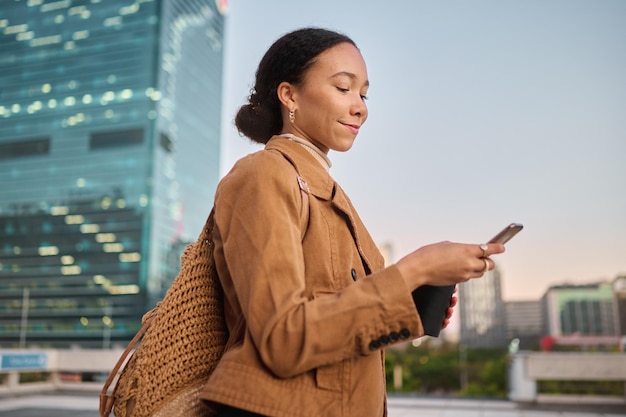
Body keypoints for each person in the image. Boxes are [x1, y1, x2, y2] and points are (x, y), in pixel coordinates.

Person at [200, 27, 504, 417]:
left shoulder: (329, 192)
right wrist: (416, 268)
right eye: (343, 88)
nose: (360, 106)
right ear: (289, 95)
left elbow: (336, 326)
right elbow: (283, 339)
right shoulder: (263, 175)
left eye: (363, 93)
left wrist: (410, 302)